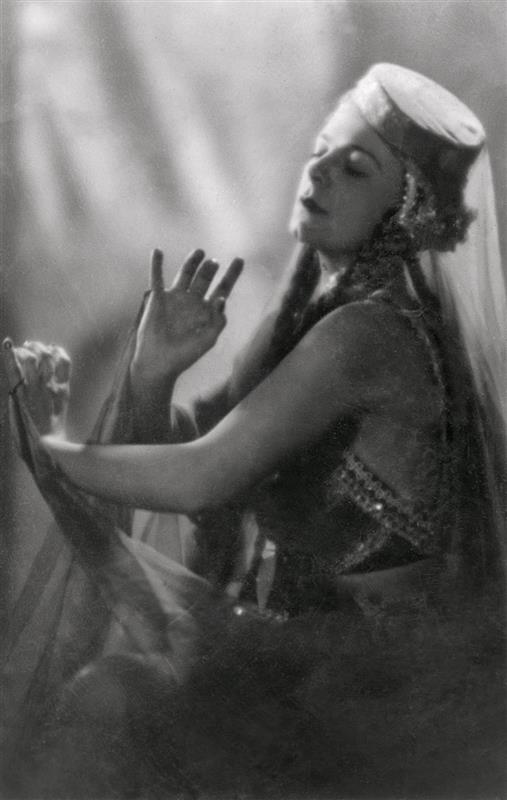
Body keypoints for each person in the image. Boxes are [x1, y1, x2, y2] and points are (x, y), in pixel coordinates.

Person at [3, 64, 506, 798]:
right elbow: (195, 467)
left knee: (108, 700)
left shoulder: (370, 337)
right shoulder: (309, 321)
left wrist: (46, 447)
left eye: (354, 167)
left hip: (363, 700)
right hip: (282, 665)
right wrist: (152, 374)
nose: (319, 172)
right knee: (109, 697)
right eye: (321, 151)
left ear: (410, 211)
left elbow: (200, 477)